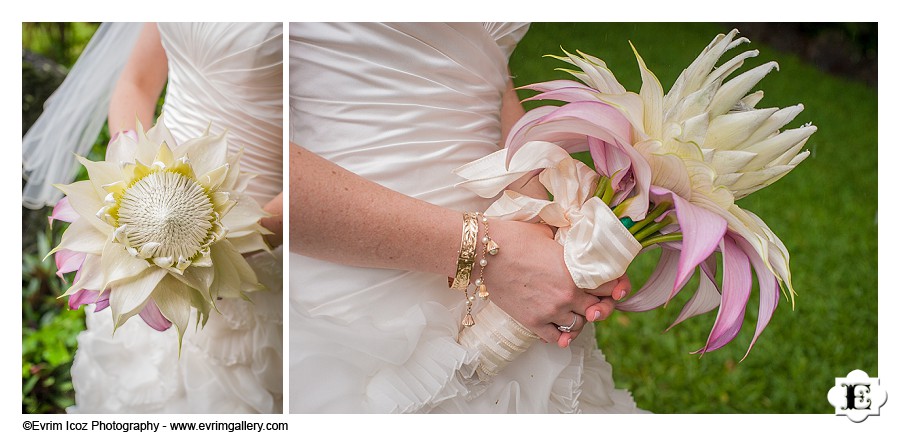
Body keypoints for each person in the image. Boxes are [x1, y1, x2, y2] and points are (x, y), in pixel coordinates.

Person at [289, 22, 640, 413]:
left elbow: (485, 67)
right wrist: (490, 254)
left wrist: (549, 215)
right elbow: (255, 177)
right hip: (363, 267)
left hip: (513, 269)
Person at [24, 22, 284, 413]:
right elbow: (137, 82)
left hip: (259, 238)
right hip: (138, 209)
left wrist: (250, 236)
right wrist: (130, 189)